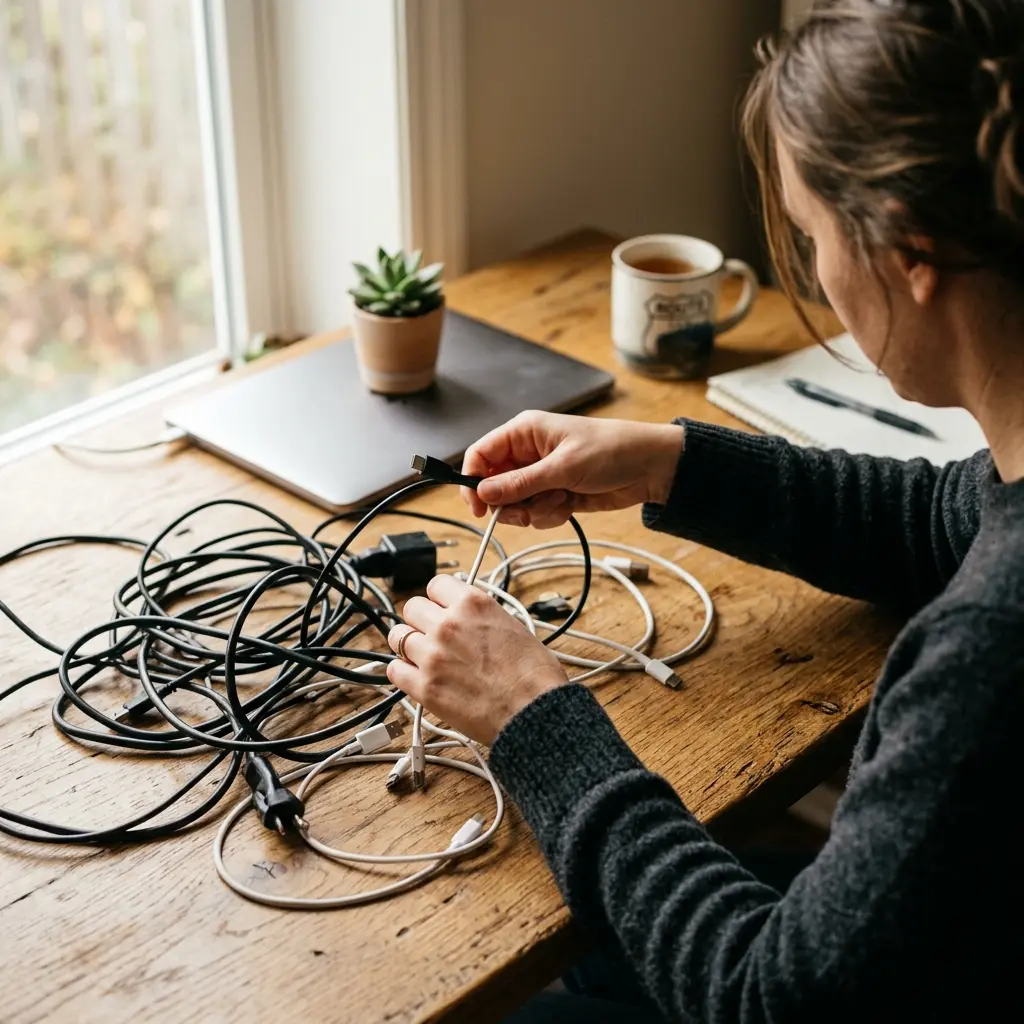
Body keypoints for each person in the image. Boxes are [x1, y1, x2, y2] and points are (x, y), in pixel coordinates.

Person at [385, 0, 1024, 1019]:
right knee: (593, 949)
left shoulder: (989, 653)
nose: (812, 271)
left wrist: (530, 719)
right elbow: (945, 519)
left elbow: (764, 994)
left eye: (811, 236)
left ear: (910, 254)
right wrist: (668, 462)